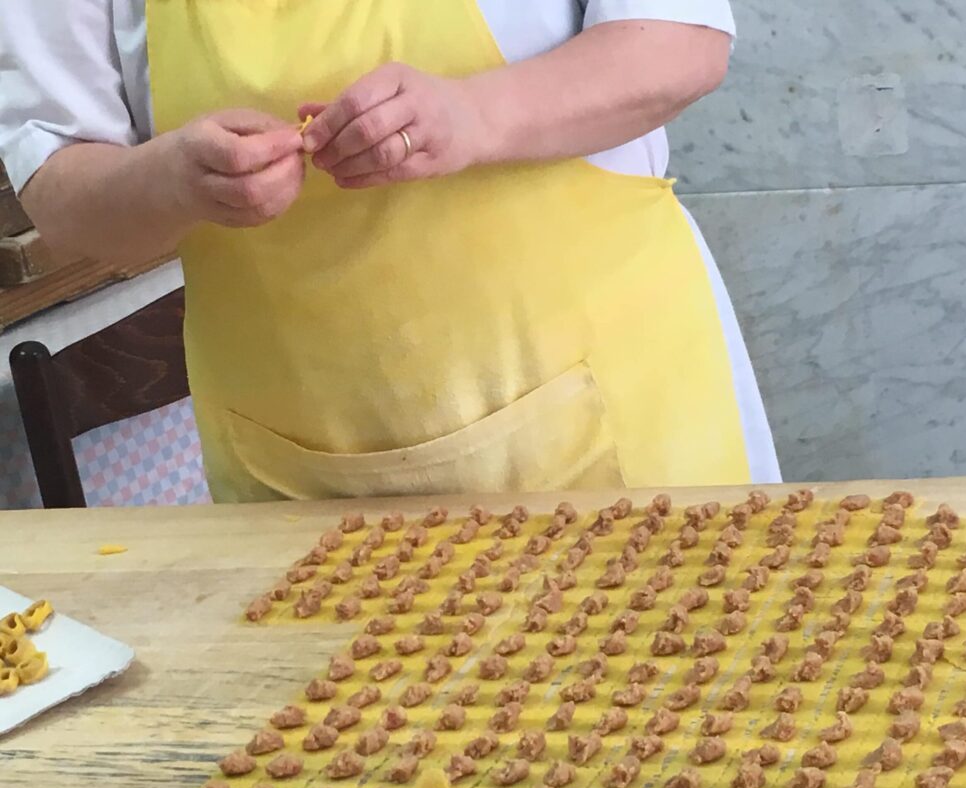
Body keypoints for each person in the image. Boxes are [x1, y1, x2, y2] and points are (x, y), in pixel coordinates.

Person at [0, 1, 781, 502]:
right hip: (303, 477)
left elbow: (680, 40)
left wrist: (474, 114)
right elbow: (60, 189)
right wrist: (169, 183)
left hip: (619, 436)